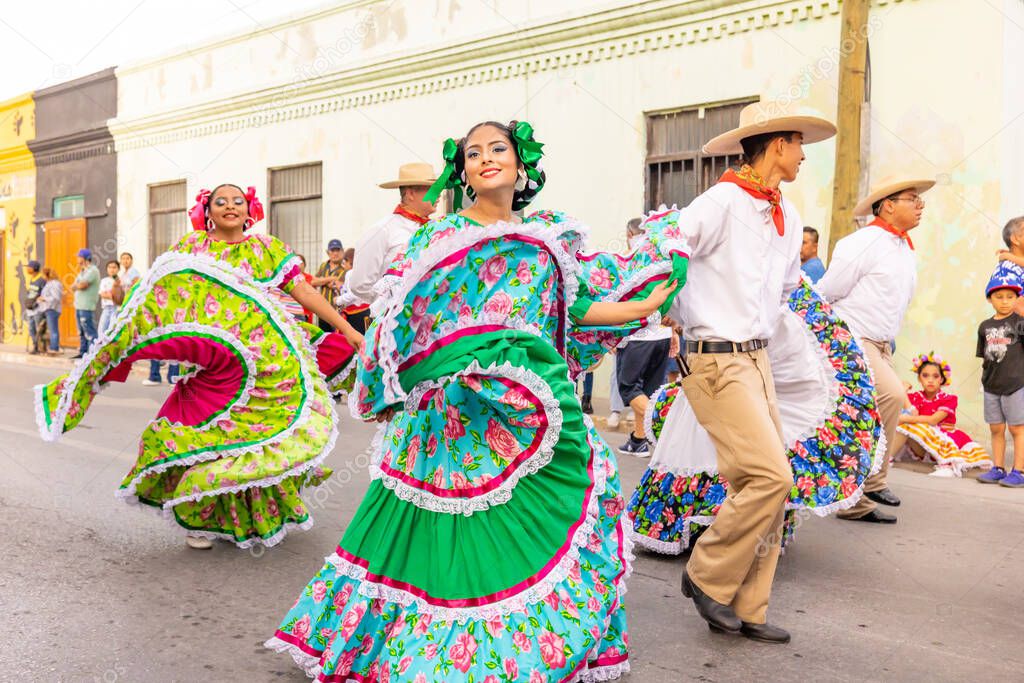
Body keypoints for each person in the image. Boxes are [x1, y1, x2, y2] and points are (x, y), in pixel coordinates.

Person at [267, 120, 685, 681]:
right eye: (472, 153)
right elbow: (399, 311)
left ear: (520, 164)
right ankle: (433, 642)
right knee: (441, 528)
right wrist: (415, 366)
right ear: (461, 172)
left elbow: (575, 307)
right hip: (453, 412)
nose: (486, 158)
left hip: (528, 406)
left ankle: (529, 642)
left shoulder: (545, 239)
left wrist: (639, 308)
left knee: (573, 488)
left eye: (498, 149)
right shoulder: (438, 239)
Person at [35, 184, 361, 550]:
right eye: (220, 202)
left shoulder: (266, 249)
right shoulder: (192, 248)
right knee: (200, 432)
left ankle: (246, 517)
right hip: (215, 367)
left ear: (249, 208)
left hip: (266, 366)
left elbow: (305, 292)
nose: (230, 207)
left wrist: (347, 328)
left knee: (254, 439)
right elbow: (164, 290)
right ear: (207, 210)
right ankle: (200, 517)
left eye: (238, 201)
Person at [670, 101, 836, 644]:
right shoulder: (719, 201)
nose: (805, 155)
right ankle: (706, 573)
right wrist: (671, 319)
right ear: (778, 144)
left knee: (764, 483)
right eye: (800, 144)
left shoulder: (786, 218)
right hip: (715, 355)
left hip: (758, 355)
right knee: (771, 476)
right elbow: (667, 251)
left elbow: (787, 292)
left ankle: (750, 607)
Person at [628, 276, 883, 555]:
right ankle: (718, 540)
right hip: (726, 338)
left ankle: (730, 536)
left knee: (741, 437)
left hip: (750, 333)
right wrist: (677, 310)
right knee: (713, 429)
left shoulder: (776, 271)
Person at [819, 175, 934, 524]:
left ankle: (856, 504)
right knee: (893, 396)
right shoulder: (862, 242)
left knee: (857, 416)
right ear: (887, 205)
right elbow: (829, 290)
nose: (920, 205)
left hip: (882, 344)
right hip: (854, 338)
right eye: (912, 198)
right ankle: (872, 482)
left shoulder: (903, 248)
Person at [347, 162, 437, 305]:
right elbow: (360, 285)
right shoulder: (382, 230)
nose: (438, 194)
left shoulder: (434, 229)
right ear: (410, 193)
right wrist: (392, 302)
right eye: (432, 189)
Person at [892, 352, 991, 477]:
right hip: (924, 445)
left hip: (945, 437)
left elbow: (933, 420)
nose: (930, 380)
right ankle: (887, 460)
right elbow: (907, 407)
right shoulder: (916, 397)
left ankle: (946, 465)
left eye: (935, 376)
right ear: (919, 378)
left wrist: (907, 418)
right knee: (904, 425)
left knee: (908, 422)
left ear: (942, 379)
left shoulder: (949, 399)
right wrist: (903, 389)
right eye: (925, 376)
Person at [976, 273, 1024, 487]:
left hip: (1016, 384)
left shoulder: (1020, 321)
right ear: (990, 299)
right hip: (991, 386)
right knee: (996, 429)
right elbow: (984, 357)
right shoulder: (984, 326)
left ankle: (1019, 471)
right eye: (999, 296)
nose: (1005, 301)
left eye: (1010, 297)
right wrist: (984, 380)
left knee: (1017, 429)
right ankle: (997, 468)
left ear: (1017, 299)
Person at [311, 239, 346, 331]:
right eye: (332, 250)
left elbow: (340, 284)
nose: (335, 253)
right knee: (324, 337)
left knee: (337, 336)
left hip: (337, 310)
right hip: (322, 308)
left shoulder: (344, 268)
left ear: (342, 251)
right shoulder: (324, 266)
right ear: (328, 252)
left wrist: (322, 280)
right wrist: (331, 279)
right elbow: (313, 282)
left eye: (337, 250)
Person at [71, 248, 100, 359]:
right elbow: (74, 286)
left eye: (79, 257)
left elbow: (82, 285)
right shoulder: (82, 271)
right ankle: (83, 352)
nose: (77, 259)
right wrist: (78, 285)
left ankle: (92, 354)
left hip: (86, 306)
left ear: (85, 258)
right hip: (78, 305)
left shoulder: (93, 270)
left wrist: (78, 285)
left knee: (89, 331)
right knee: (81, 331)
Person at [33, 267, 63, 355]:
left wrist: (43, 298)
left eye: (43, 275)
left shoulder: (55, 284)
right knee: (49, 329)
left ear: (47, 274)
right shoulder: (48, 283)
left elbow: (56, 298)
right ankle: (49, 347)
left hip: (52, 309)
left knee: (53, 329)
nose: (42, 277)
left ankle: (54, 348)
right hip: (47, 309)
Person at [24, 260, 46, 353]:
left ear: (35, 268)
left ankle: (41, 347)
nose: (27, 269)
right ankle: (35, 346)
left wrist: (37, 302)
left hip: (38, 309)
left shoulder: (41, 280)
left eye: (29, 267)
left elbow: (43, 294)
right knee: (31, 328)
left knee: (39, 329)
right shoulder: (31, 279)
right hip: (30, 309)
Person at [97, 260, 121, 334]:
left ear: (118, 269)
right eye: (109, 267)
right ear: (107, 269)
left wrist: (111, 294)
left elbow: (120, 296)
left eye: (114, 267)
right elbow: (102, 294)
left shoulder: (121, 281)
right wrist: (113, 295)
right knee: (101, 331)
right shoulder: (104, 280)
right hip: (107, 308)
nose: (112, 269)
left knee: (114, 332)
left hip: (118, 309)